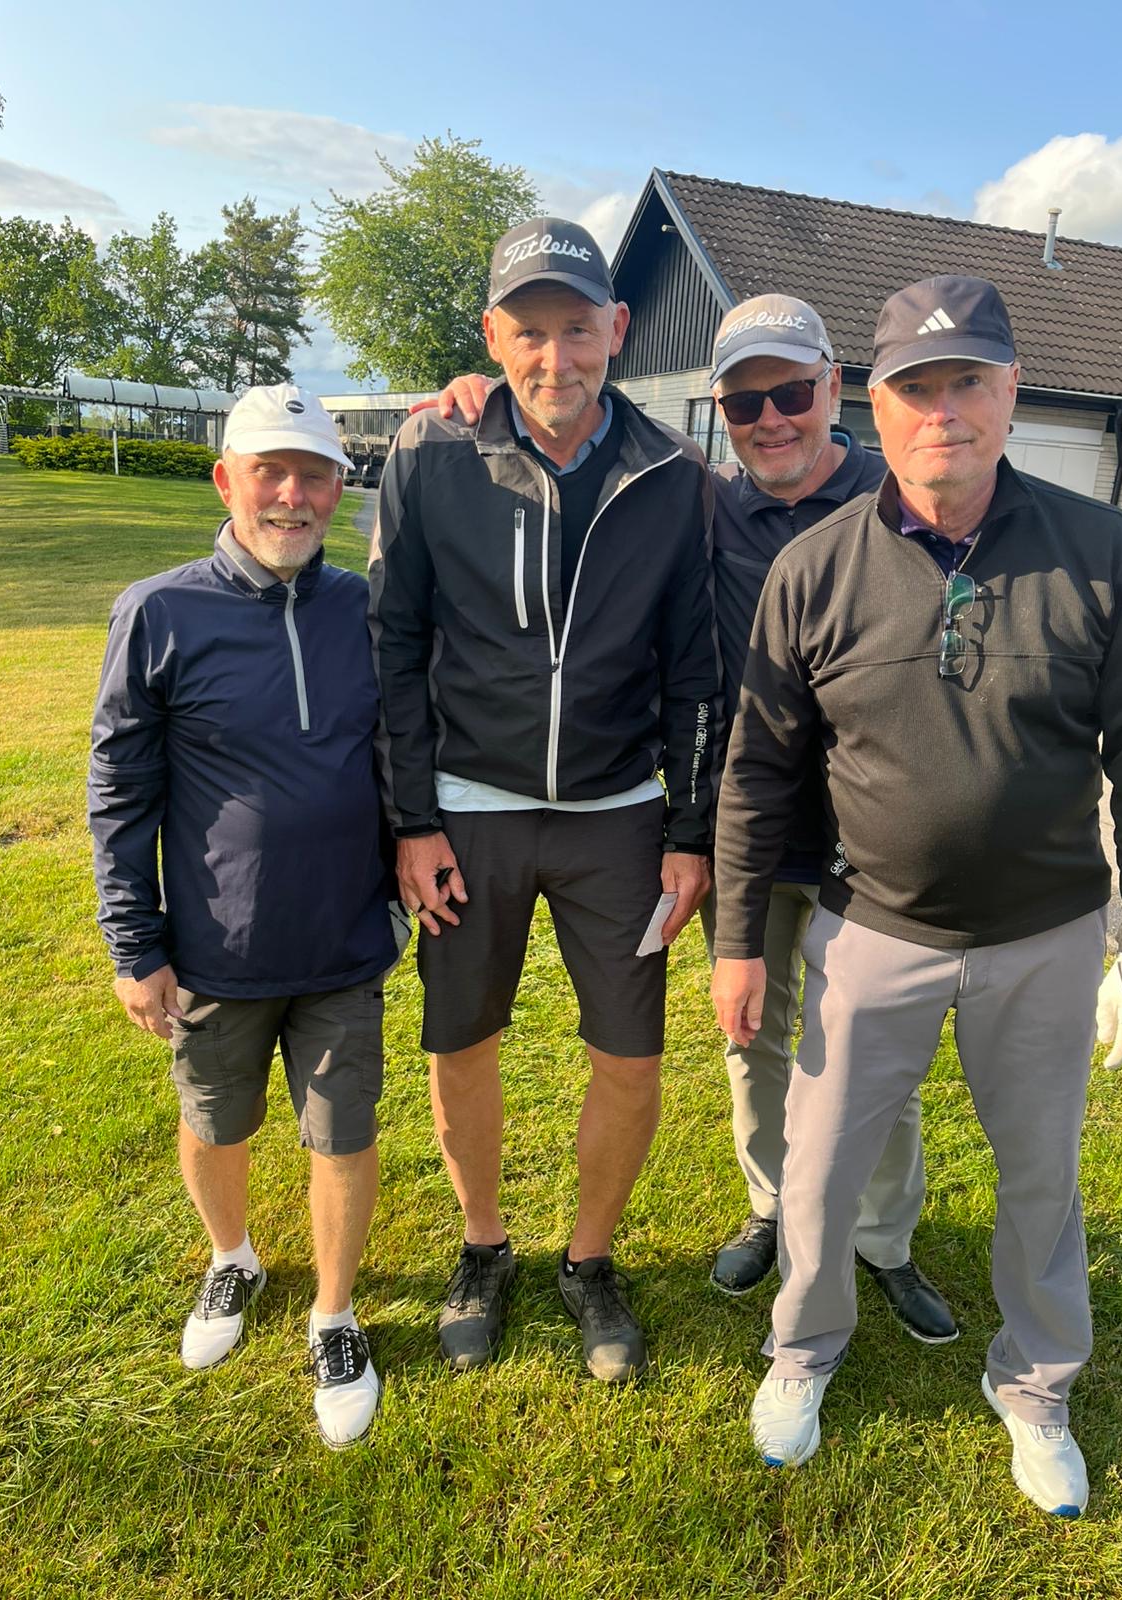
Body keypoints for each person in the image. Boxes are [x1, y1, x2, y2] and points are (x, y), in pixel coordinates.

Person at [711, 275, 1122, 1516]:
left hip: (1046, 934)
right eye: (916, 388)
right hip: (870, 928)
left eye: (968, 380)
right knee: (820, 1171)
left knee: (1041, 1180)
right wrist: (737, 940)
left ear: (1011, 392)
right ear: (874, 405)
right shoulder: (814, 568)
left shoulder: (1103, 552)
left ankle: (1035, 1384)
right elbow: (756, 772)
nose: (944, 411)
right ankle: (802, 1350)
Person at [429, 294, 956, 1341]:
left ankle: (882, 1239)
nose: (772, 420)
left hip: (874, 839)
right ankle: (770, 1204)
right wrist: (480, 398)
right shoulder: (704, 500)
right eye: (745, 403)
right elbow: (584, 431)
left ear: (833, 387)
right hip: (747, 829)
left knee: (873, 1049)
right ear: (722, 413)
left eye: (791, 394)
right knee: (753, 1036)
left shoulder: (899, 497)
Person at [369, 216, 720, 1383]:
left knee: (631, 1053)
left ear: (618, 329)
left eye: (577, 328)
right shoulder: (431, 454)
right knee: (461, 1038)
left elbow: (696, 669)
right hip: (469, 809)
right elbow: (393, 642)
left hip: (619, 815)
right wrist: (413, 820)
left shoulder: (674, 476)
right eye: (529, 332)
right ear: (492, 336)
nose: (554, 357)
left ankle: (590, 1259)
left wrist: (687, 832)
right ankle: (483, 1247)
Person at [89, 384, 407, 1449]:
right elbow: (120, 792)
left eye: (315, 476)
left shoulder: (363, 607)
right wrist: (135, 943)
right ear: (226, 480)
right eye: (271, 472)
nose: (292, 496)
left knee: (343, 1132)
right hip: (214, 951)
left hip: (345, 941)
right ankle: (232, 1258)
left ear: (339, 491)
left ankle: (335, 1313)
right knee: (215, 1121)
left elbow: (399, 753)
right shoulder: (158, 612)